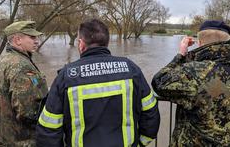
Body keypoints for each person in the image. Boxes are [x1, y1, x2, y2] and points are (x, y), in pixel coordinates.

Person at [36, 19, 160, 147]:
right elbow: (151, 113)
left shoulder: (66, 76)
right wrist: (141, 143)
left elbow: (48, 129)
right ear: (106, 43)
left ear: (81, 44)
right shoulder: (131, 69)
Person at [151, 20, 230, 146]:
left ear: (200, 43)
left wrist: (181, 54)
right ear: (228, 41)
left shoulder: (195, 72)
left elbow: (159, 81)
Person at [0, 21, 48, 147]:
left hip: (4, 138)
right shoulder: (21, 65)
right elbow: (27, 112)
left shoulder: (1, 60)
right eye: (32, 37)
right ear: (17, 40)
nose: (37, 41)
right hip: (23, 141)